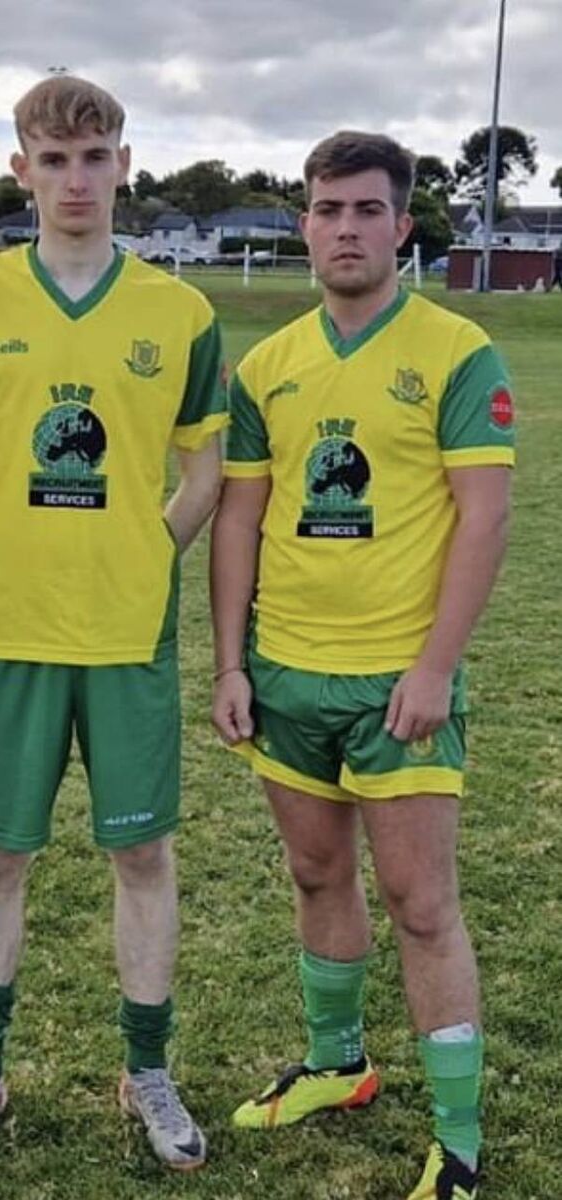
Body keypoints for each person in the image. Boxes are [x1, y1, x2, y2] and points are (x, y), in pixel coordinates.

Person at [0, 75, 227, 1174]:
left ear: (124, 166)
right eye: (54, 159)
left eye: (95, 158)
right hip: (11, 628)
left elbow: (206, 468)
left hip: (129, 633)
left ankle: (147, 1070)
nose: (77, 179)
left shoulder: (180, 312)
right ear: (22, 171)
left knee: (143, 851)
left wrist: (147, 549)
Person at [210, 131, 514, 1200]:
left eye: (367, 210)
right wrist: (231, 663)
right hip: (287, 674)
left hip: (398, 682)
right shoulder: (268, 365)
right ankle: (338, 1065)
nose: (346, 229)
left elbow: (485, 518)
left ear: (400, 225)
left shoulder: (458, 351)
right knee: (315, 875)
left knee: (421, 903)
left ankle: (460, 1140)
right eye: (328, 209)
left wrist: (436, 666)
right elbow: (239, 520)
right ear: (305, 223)